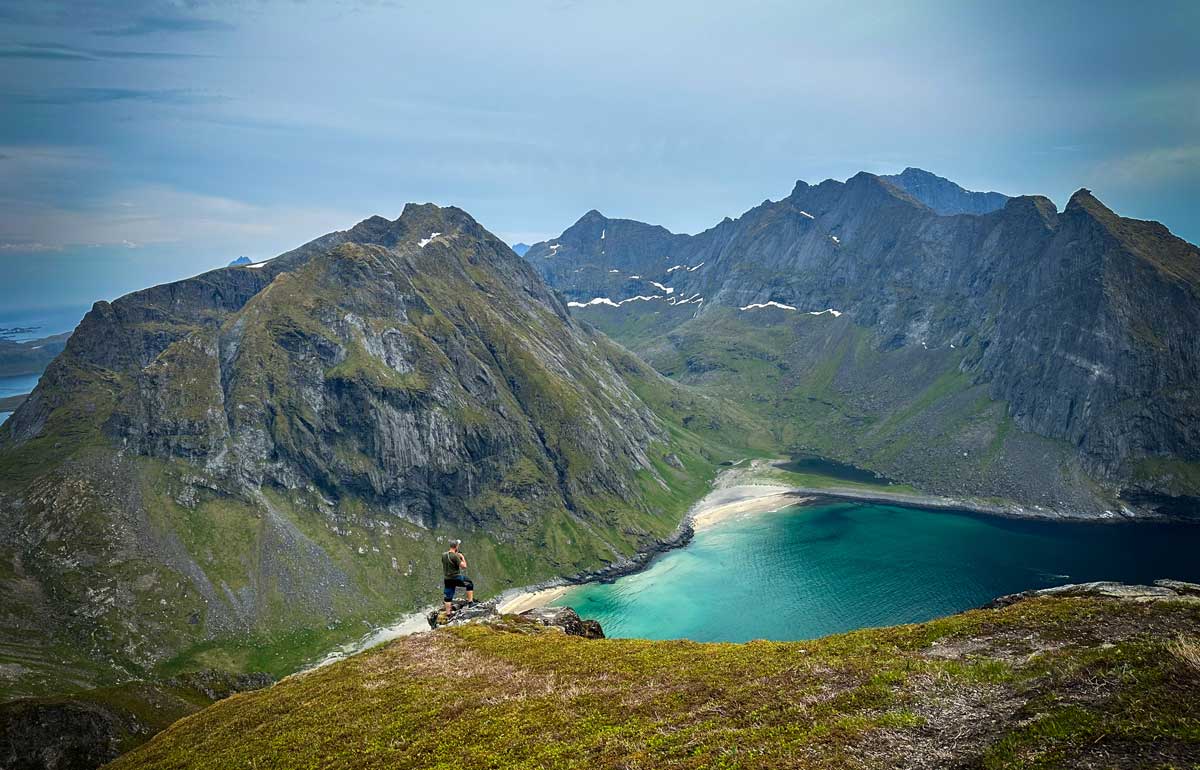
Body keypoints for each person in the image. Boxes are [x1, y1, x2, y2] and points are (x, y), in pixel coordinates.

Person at [442, 539, 475, 615]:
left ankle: (448, 614)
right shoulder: (454, 556)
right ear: (456, 546)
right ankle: (470, 603)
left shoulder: (443, 555)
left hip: (447, 579)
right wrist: (462, 557)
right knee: (469, 583)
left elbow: (448, 562)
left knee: (448, 596)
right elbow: (464, 566)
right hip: (455, 577)